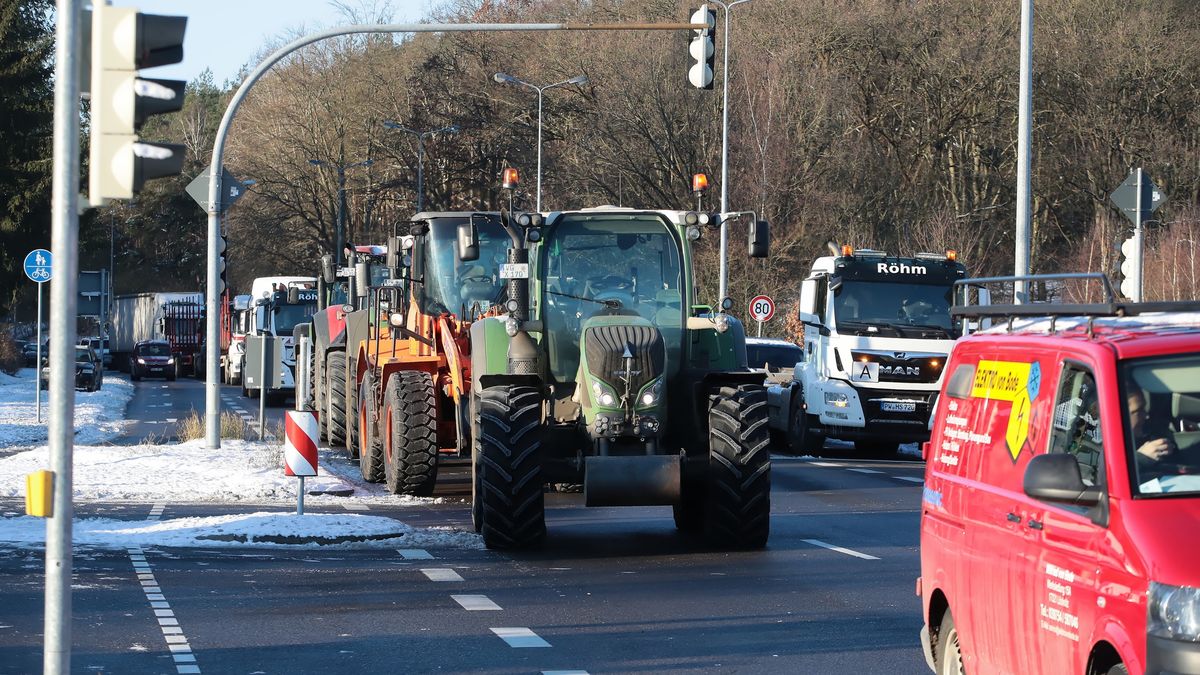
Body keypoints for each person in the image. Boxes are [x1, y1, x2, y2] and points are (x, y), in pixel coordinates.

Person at [1128, 388, 1179, 480]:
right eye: (1138, 411)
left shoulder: (1150, 433)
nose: (1146, 415)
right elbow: (1112, 480)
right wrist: (1141, 459)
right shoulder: (1105, 449)